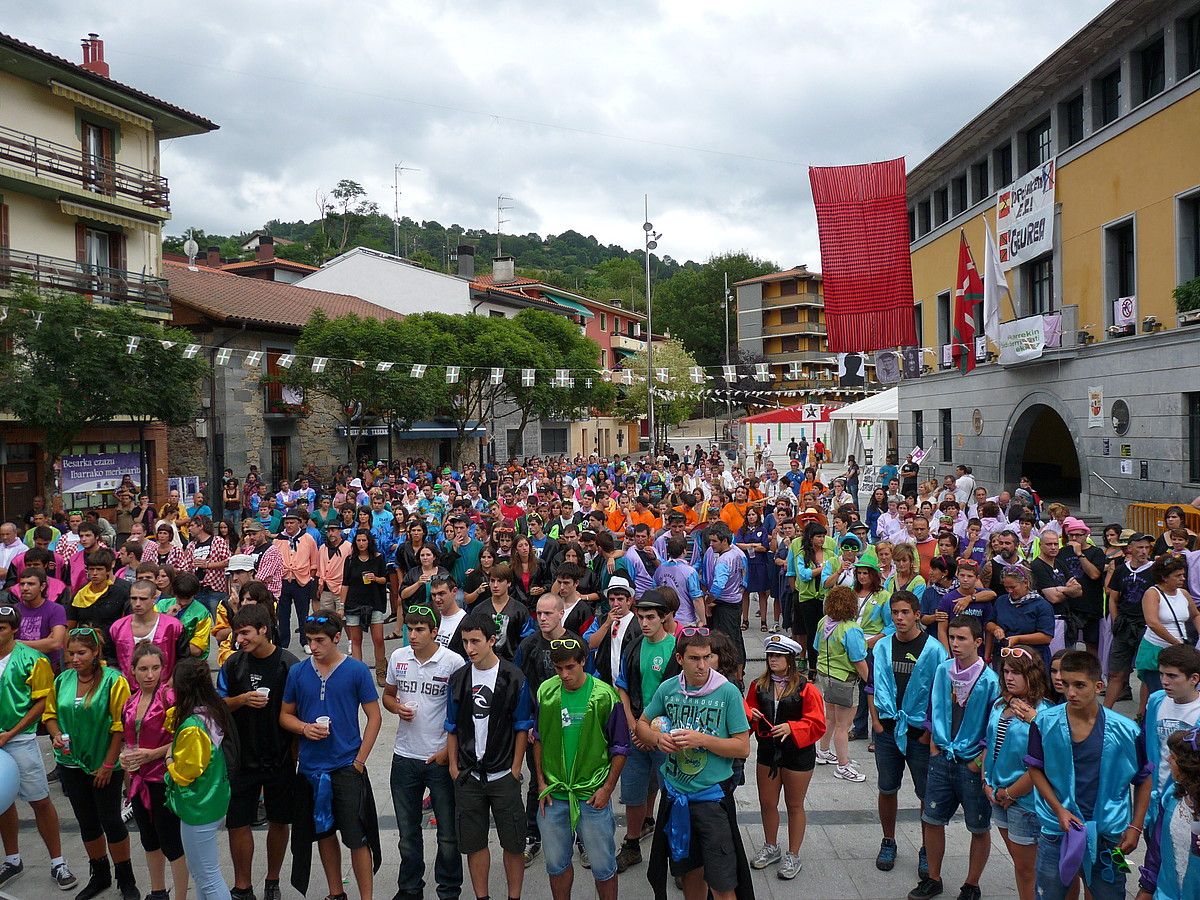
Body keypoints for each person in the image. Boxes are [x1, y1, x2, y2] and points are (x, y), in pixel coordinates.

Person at [637, 627, 753, 900]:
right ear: (680, 659)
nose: (703, 665)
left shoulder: (727, 692)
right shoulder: (668, 689)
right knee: (690, 874)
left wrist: (702, 739)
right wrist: (656, 738)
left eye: (707, 657)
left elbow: (743, 747)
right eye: (694, 658)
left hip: (711, 801)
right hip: (676, 798)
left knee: (723, 882)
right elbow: (641, 724)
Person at [1026, 650, 1152, 900]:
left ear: (1098, 686)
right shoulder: (1044, 723)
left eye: (1080, 685)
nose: (1071, 693)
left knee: (1112, 892)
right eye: (1066, 684)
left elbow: (1144, 778)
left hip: (1110, 836)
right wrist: (1059, 810)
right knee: (1048, 894)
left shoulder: (1127, 730)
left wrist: (1135, 827)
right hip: (1056, 832)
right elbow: (1034, 768)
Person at [280, 613, 383, 900]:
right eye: (309, 640)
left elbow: (374, 717)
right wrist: (304, 728)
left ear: (337, 638)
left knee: (356, 837)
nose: (313, 647)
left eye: (319, 640)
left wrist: (359, 761)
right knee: (324, 833)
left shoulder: (356, 670)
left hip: (346, 766)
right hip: (312, 769)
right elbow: (285, 715)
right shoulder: (298, 672)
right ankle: (336, 893)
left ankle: (366, 896)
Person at [444, 613, 533, 900]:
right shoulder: (458, 678)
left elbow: (522, 727)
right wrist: (455, 768)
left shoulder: (513, 676)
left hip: (503, 773)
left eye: (475, 641)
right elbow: (452, 727)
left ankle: (514, 896)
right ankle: (482, 896)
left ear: (492, 640)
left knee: (514, 842)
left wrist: (515, 769)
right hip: (469, 775)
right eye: (465, 641)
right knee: (473, 842)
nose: (469, 648)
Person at [911, 615, 1001, 900]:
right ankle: (933, 878)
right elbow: (932, 705)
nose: (955, 644)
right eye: (951, 637)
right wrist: (934, 744)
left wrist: (979, 760)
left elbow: (994, 722)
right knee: (933, 818)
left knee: (978, 825)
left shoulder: (989, 680)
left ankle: (971, 884)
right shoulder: (943, 670)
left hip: (971, 763)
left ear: (977, 641)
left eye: (962, 638)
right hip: (942, 757)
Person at [532, 636, 628, 900]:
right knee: (556, 865)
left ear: (583, 662)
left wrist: (607, 789)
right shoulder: (546, 692)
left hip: (592, 795)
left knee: (603, 867)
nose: (564, 674)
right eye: (558, 668)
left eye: (570, 667)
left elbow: (620, 747)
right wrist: (540, 782)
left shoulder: (604, 696)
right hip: (554, 794)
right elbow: (538, 738)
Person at [42, 627, 133, 900]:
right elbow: (50, 714)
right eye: (70, 653)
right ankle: (100, 874)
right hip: (71, 764)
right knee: (87, 823)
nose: (74, 659)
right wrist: (56, 734)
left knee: (111, 821)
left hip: (104, 766)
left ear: (95, 653)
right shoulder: (62, 680)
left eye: (81, 653)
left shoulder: (114, 681)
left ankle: (125, 878)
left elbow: (120, 726)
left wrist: (108, 765)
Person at [383, 603, 466, 900]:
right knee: (407, 835)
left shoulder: (453, 662)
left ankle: (449, 889)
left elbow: (464, 712)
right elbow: (388, 696)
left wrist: (448, 752)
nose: (413, 635)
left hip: (439, 758)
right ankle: (409, 888)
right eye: (409, 629)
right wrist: (397, 708)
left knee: (447, 834)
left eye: (420, 630)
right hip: (404, 757)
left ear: (435, 632)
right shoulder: (398, 657)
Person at [217, 605, 299, 900]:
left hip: (279, 756)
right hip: (242, 757)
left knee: (279, 819)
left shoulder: (289, 664)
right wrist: (241, 699)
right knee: (237, 822)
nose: (240, 640)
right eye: (238, 634)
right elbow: (218, 705)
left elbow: (300, 711)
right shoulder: (233, 665)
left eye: (245, 633)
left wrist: (295, 753)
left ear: (264, 629)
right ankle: (242, 886)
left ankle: (272, 880)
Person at [869, 590, 948, 878]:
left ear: (917, 614)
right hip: (888, 730)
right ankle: (888, 840)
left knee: (926, 794)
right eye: (895, 612)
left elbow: (940, 696)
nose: (899, 618)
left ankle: (927, 848)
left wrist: (928, 732)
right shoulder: (882, 647)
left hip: (919, 734)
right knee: (887, 788)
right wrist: (876, 724)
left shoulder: (935, 649)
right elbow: (870, 686)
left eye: (905, 612)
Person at [745, 634, 826, 880]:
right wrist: (752, 715)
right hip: (768, 752)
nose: (772, 660)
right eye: (770, 655)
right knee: (767, 803)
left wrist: (793, 727)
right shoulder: (758, 686)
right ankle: (771, 847)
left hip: (798, 755)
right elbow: (745, 712)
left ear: (790, 659)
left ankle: (793, 853)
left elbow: (817, 722)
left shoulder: (806, 688)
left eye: (778, 655)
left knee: (794, 805)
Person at [614, 590, 677, 872]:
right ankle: (631, 844)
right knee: (633, 792)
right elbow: (622, 687)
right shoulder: (634, 646)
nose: (645, 623)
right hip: (635, 733)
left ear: (664, 618)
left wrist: (656, 732)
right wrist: (632, 724)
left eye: (651, 617)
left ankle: (677, 852)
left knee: (673, 794)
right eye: (641, 617)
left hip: (667, 736)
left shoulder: (677, 649)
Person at [981, 648, 1050, 900]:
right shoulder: (1000, 704)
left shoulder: (1044, 713)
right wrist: (985, 782)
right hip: (996, 793)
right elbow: (989, 744)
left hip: (1024, 800)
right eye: (1006, 671)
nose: (1009, 677)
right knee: (1021, 866)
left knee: (1027, 869)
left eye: (1016, 672)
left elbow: (1042, 765)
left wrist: (1010, 793)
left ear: (1032, 675)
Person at [122, 643, 188, 900]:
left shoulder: (170, 698)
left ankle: (180, 895)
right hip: (139, 780)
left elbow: (186, 738)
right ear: (133, 671)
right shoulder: (130, 702)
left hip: (164, 778)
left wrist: (153, 754)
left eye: (155, 668)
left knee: (172, 842)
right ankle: (157, 890)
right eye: (143, 669)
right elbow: (129, 741)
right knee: (149, 840)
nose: (150, 675)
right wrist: (126, 762)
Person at [165, 657, 234, 900]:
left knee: (208, 876)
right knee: (203, 874)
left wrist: (169, 762)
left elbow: (186, 773)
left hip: (198, 807)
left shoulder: (193, 726)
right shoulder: (210, 712)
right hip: (213, 801)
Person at [1136, 726, 1200, 899]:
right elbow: (1157, 848)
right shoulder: (1172, 795)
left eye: (1174, 757)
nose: (1168, 759)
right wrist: (1147, 888)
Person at [814, 585, 870, 781]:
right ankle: (843, 765)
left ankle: (822, 751)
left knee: (830, 717)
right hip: (845, 679)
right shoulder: (851, 629)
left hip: (825, 674)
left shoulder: (823, 622)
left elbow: (815, 646)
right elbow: (857, 658)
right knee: (843, 725)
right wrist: (871, 682)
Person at [1136, 554, 1200, 700]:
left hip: (1178, 649)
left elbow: (1195, 614)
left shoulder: (1183, 593)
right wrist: (1176, 643)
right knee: (1160, 694)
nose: (1183, 579)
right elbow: (1152, 623)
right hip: (1156, 649)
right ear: (1164, 577)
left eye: (1183, 575)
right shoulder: (1152, 593)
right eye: (1178, 576)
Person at [1142, 643, 1200, 803]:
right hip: (1153, 791)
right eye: (1161, 674)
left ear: (1194, 678)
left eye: (1172, 676)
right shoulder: (1156, 700)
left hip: (1185, 796)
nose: (1164, 681)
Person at [1106, 533, 1156, 712]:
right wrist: (1115, 619)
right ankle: (1105, 712)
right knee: (1117, 672)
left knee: (1145, 673)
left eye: (1146, 547)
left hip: (1146, 626)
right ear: (1130, 549)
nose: (1144, 551)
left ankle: (1142, 714)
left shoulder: (1154, 570)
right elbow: (1113, 597)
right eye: (1140, 547)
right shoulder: (1121, 569)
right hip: (1125, 625)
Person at [66, 549, 131, 666]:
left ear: (107, 571)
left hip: (113, 653)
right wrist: (68, 660)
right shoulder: (80, 594)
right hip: (84, 653)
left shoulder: (122, 592)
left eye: (99, 569)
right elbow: (70, 628)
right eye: (91, 569)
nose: (94, 573)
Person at [110, 577, 182, 682]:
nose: (138, 603)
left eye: (143, 599)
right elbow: (112, 661)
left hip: (164, 690)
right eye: (134, 598)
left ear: (154, 598)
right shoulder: (117, 628)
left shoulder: (173, 626)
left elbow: (183, 660)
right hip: (128, 691)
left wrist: (171, 684)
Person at [341, 529, 389, 684]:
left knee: (378, 639)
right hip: (354, 603)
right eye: (359, 540)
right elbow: (345, 583)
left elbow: (384, 580)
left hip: (374, 602)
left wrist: (375, 578)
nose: (361, 543)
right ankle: (358, 674)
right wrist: (342, 605)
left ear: (369, 541)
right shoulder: (349, 560)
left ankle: (381, 670)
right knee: (356, 640)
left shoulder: (378, 558)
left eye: (364, 540)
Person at [988, 566, 1056, 671]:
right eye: (1006, 588)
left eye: (1013, 587)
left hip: (1032, 659)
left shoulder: (1041, 605)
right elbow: (989, 622)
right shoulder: (1001, 601)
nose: (1009, 591)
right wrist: (996, 629)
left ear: (1025, 583)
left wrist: (1018, 639)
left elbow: (1046, 636)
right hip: (1004, 656)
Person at [701, 522, 748, 666]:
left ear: (725, 541)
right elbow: (745, 577)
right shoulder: (738, 553)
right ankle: (739, 673)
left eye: (714, 541)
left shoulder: (723, 560)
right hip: (736, 601)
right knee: (736, 638)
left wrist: (708, 601)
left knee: (725, 642)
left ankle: (733, 674)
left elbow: (717, 587)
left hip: (724, 605)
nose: (711, 545)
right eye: (710, 541)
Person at [274, 511, 319, 651]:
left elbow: (314, 560)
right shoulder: (278, 540)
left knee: (303, 613)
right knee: (283, 613)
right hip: (284, 579)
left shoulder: (308, 538)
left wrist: (311, 576)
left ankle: (305, 642)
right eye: (286, 523)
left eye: (292, 522)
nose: (289, 525)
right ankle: (283, 642)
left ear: (299, 523)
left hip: (302, 580)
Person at [14, 567, 68, 673]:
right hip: (17, 667)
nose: (25, 588)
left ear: (42, 586)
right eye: (22, 584)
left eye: (31, 584)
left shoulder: (56, 609)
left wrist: (18, 643)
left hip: (47, 667)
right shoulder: (14, 610)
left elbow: (56, 643)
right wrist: (44, 643)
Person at [158, 572, 213, 660]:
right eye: (179, 597)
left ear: (194, 594)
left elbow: (196, 650)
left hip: (189, 664)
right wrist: (167, 618)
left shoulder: (202, 613)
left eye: (187, 598)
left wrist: (166, 644)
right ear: (174, 593)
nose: (183, 603)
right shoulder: (161, 606)